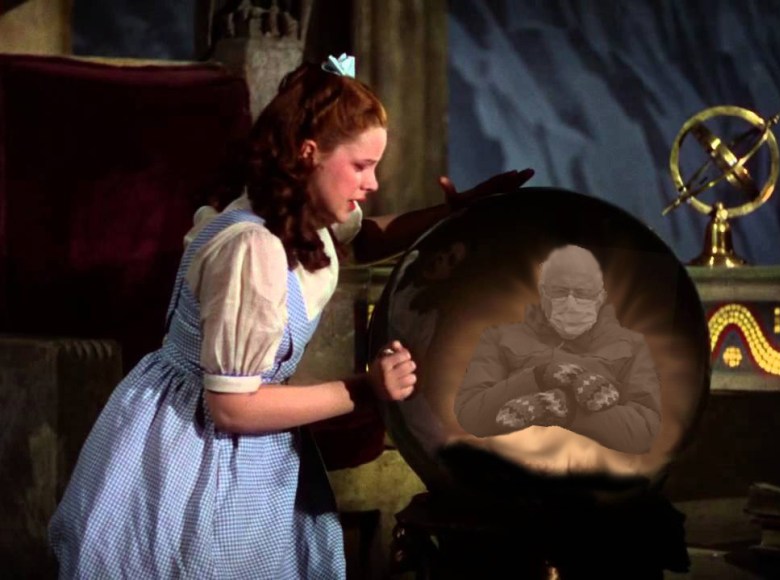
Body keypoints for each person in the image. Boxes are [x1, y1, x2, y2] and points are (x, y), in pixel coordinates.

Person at [48, 54, 533, 578]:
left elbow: (363, 239)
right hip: (199, 450)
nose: (372, 183)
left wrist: (455, 212)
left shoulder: (294, 214)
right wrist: (365, 388)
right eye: (361, 166)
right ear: (308, 154)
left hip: (243, 439)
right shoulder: (252, 251)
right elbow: (231, 407)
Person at [454, 244, 661, 455]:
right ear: (543, 294)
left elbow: (644, 432)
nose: (571, 302)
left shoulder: (632, 345)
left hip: (591, 469)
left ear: (600, 298)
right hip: (506, 464)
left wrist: (565, 409)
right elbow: (471, 416)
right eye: (560, 292)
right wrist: (540, 376)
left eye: (583, 293)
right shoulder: (499, 338)